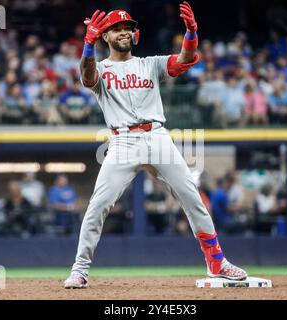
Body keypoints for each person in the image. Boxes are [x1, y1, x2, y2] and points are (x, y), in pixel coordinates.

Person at [64, 3, 247, 289]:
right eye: (117, 29)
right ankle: (80, 269)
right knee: (98, 205)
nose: (124, 32)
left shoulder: (150, 63)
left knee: (192, 197)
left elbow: (184, 59)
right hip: (123, 140)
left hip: (158, 136)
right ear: (106, 37)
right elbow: (87, 77)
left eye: (128, 29)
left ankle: (217, 262)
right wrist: (87, 45)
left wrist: (191, 33)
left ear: (134, 36)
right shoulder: (100, 67)